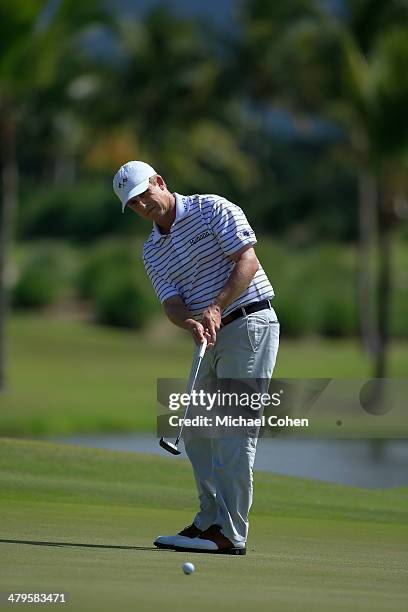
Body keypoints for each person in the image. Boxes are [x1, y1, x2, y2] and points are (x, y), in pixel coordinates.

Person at [113, 160, 279, 555]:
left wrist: (217, 306)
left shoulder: (212, 208)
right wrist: (189, 322)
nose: (142, 205)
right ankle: (209, 522)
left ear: (160, 182)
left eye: (144, 195)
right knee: (196, 430)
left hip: (249, 323)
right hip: (207, 335)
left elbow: (248, 261)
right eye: (133, 203)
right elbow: (171, 303)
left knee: (234, 433)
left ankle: (232, 534)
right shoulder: (152, 249)